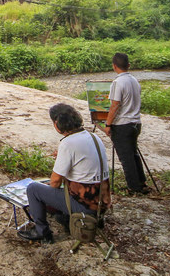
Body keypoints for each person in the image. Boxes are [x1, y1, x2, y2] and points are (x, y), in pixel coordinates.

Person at [18, 103, 109, 243]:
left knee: (33, 189)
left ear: (56, 123)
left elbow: (55, 182)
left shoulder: (68, 143)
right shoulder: (93, 137)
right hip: (102, 201)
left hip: (85, 205)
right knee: (50, 187)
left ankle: (42, 231)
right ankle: (67, 217)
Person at [102, 52, 149, 195]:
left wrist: (108, 124)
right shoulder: (134, 80)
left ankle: (134, 187)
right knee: (133, 154)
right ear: (128, 65)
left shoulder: (117, 82)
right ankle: (141, 182)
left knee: (126, 157)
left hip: (122, 124)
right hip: (135, 123)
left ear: (114, 66)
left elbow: (115, 105)